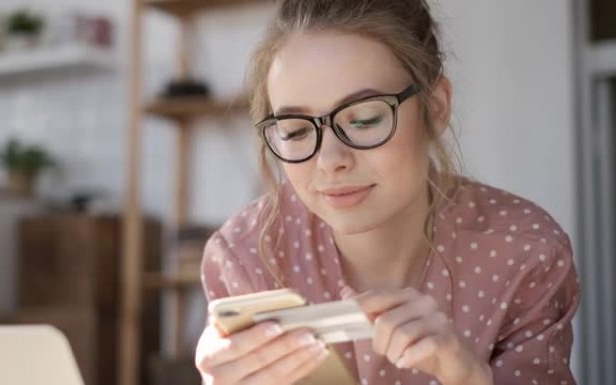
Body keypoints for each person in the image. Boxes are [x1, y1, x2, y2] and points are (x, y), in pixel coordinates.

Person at [194, 1, 580, 384]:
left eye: (364, 119)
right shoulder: (246, 256)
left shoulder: (525, 253)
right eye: (295, 130)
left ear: (436, 107)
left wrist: (468, 379)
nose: (330, 160)